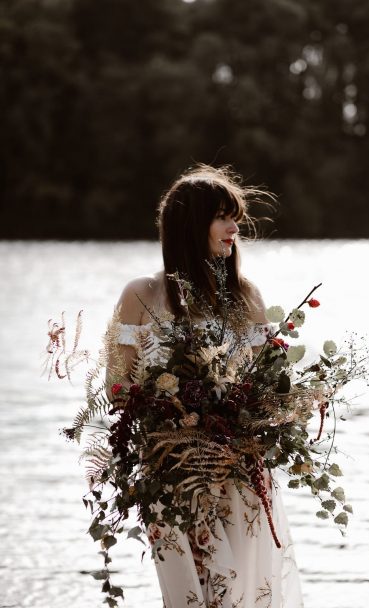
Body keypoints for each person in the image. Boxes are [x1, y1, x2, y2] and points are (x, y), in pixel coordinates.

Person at [112, 165, 303, 607]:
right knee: (187, 595)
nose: (235, 227)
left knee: (238, 590)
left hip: (235, 469)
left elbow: (273, 382)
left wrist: (283, 408)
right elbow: (117, 388)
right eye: (222, 216)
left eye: (235, 215)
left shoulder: (245, 296)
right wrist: (171, 421)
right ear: (189, 224)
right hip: (169, 472)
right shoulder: (139, 295)